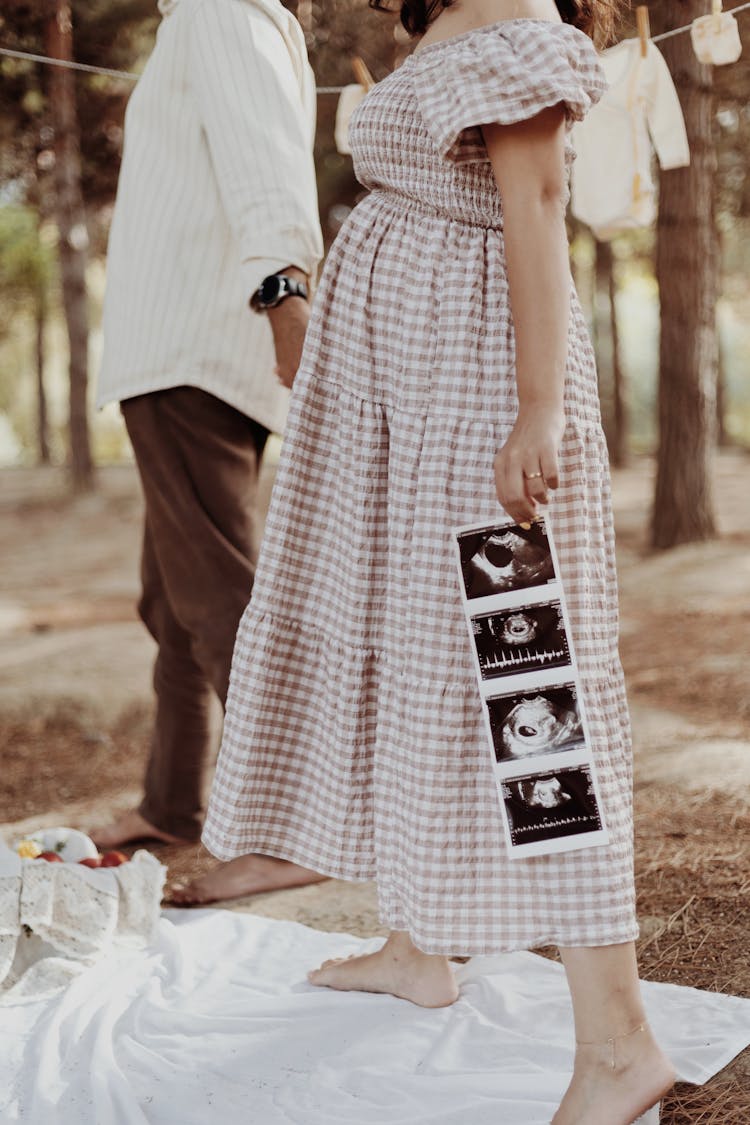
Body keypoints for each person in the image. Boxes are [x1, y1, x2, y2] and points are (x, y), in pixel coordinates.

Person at [201, 0, 676, 1119]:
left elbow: (539, 205)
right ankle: (420, 945)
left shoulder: (518, 29)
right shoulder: (455, 19)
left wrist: (538, 410)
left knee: (527, 689)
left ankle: (622, 1043)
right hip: (396, 395)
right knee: (406, 649)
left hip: (471, 390)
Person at [92, 0, 327, 906]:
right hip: (179, 353)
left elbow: (263, 157)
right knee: (173, 596)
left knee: (221, 592)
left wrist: (285, 295)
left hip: (195, 353)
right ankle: (173, 800)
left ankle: (289, 826)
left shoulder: (221, 9)